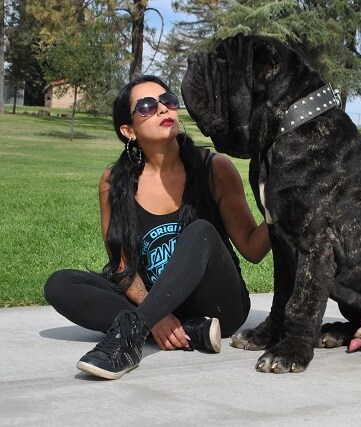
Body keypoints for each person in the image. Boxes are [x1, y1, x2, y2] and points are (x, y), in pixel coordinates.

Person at [44, 75, 270, 380]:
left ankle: (129, 338)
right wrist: (157, 313)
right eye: (148, 106)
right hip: (154, 301)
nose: (164, 109)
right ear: (129, 131)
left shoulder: (213, 168)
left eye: (168, 101)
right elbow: (123, 265)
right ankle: (184, 330)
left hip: (218, 304)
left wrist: (283, 210)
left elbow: (252, 248)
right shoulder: (115, 182)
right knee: (60, 284)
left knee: (201, 230)